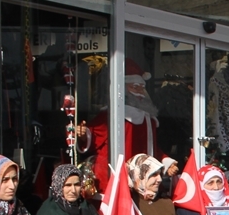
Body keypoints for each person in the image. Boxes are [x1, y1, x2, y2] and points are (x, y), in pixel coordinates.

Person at [76, 59, 178, 192]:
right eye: (135, 87)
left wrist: (166, 161)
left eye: (142, 88)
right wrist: (84, 135)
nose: (140, 92)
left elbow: (151, 149)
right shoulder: (112, 115)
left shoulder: (149, 118)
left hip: (142, 180)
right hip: (116, 178)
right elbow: (94, 136)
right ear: (123, 88)